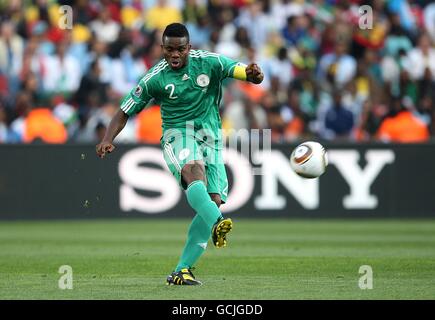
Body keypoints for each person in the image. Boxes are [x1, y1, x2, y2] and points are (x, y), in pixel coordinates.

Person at [95, 23, 264, 285]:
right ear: (162, 49)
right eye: (169, 49)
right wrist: (107, 138)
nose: (175, 54)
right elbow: (124, 111)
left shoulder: (209, 62)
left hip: (211, 137)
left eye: (180, 49)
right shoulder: (155, 78)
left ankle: (182, 270)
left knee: (215, 199)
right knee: (193, 171)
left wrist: (252, 74)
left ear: (189, 48)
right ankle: (217, 222)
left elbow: (240, 70)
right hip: (177, 134)